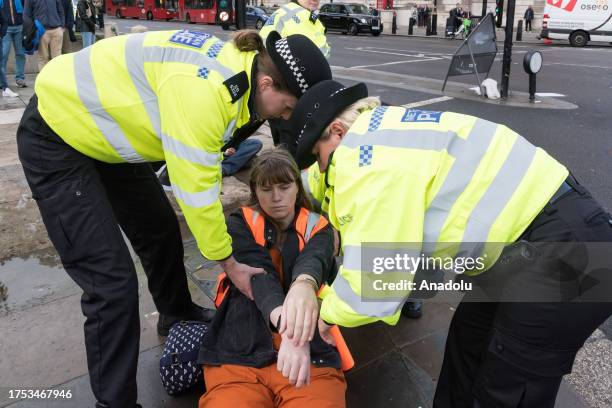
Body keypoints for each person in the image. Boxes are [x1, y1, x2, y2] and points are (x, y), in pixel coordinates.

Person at [16, 29, 331, 408]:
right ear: (267, 83)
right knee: (110, 281)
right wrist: (229, 263)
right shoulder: (208, 91)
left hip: (104, 131)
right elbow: (196, 193)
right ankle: (114, 402)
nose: (282, 116)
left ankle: (175, 312)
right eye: (284, 108)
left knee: (159, 227)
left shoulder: (240, 75)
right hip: (58, 131)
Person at [285, 79, 612, 408]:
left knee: (506, 389)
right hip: (528, 241)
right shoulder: (380, 131)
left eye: (318, 155)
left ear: (338, 132)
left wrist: (322, 320)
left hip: (564, 251)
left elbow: (378, 281)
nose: (321, 166)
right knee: (468, 343)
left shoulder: (362, 162)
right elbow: (323, 186)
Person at [198, 149, 347, 407]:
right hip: (243, 345)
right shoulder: (238, 221)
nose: (276, 197)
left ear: (297, 189)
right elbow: (258, 274)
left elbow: (312, 261)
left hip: (309, 352)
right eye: (266, 189)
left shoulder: (318, 226)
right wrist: (291, 332)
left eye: (284, 186)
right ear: (255, 191)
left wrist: (304, 284)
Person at [259, 0, 331, 149]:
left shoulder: (291, 12)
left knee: (283, 141)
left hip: (276, 88)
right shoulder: (299, 16)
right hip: (290, 90)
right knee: (294, 144)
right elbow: (310, 58)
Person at [24, 0, 65, 71]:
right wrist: (33, 29)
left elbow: (61, 11)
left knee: (57, 58)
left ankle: (56, 80)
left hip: (56, 30)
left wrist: (62, 26)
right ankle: (44, 80)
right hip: (41, 31)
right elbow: (26, 15)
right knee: (43, 57)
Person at [1, 0, 26, 97]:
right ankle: (2, 81)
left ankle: (20, 78)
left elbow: (26, 9)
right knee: (4, 54)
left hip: (19, 27)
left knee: (20, 53)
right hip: (6, 29)